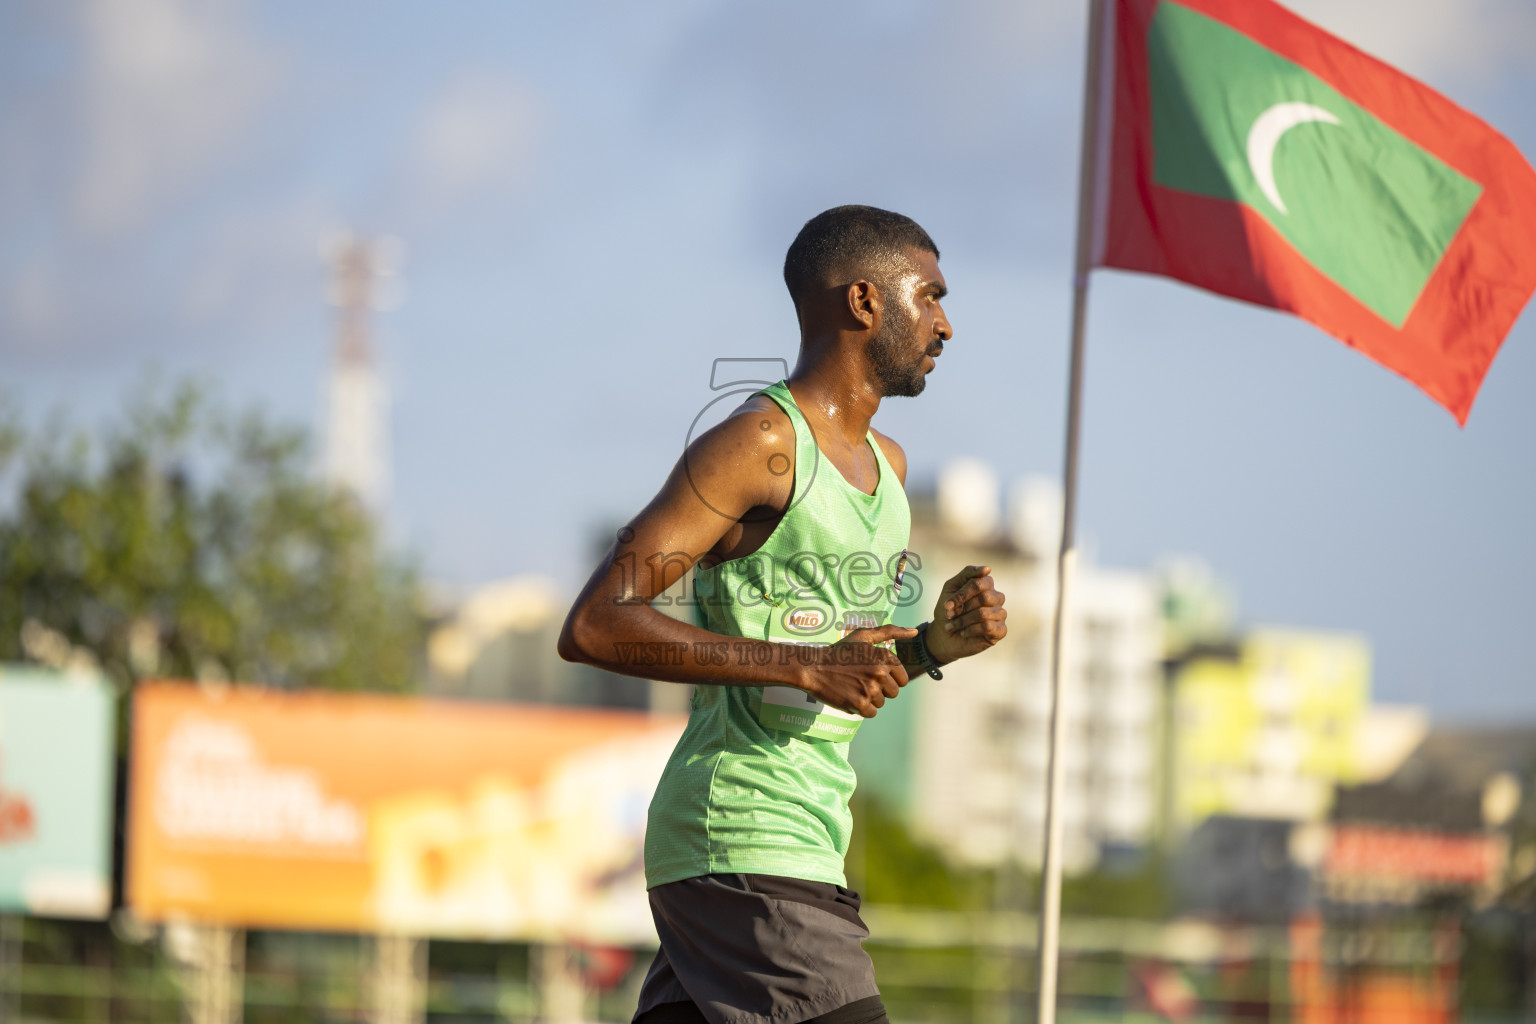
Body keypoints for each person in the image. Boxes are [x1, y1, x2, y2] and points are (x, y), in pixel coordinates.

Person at [558, 205, 1008, 1024]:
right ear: (866, 302)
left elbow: (841, 674)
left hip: (800, 840)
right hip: (743, 836)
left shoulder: (890, 472)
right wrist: (803, 664)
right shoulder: (759, 445)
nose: (946, 326)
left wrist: (936, 644)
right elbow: (595, 622)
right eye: (931, 296)